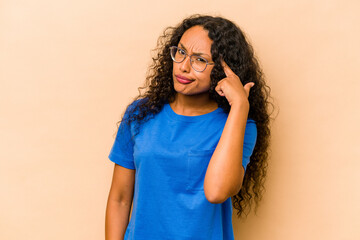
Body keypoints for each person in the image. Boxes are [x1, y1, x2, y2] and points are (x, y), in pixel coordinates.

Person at [105, 14, 271, 240]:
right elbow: (120, 198)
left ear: (224, 71)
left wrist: (240, 105)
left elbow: (216, 192)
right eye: (181, 52)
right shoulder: (139, 114)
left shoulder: (240, 125)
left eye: (199, 60)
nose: (183, 67)